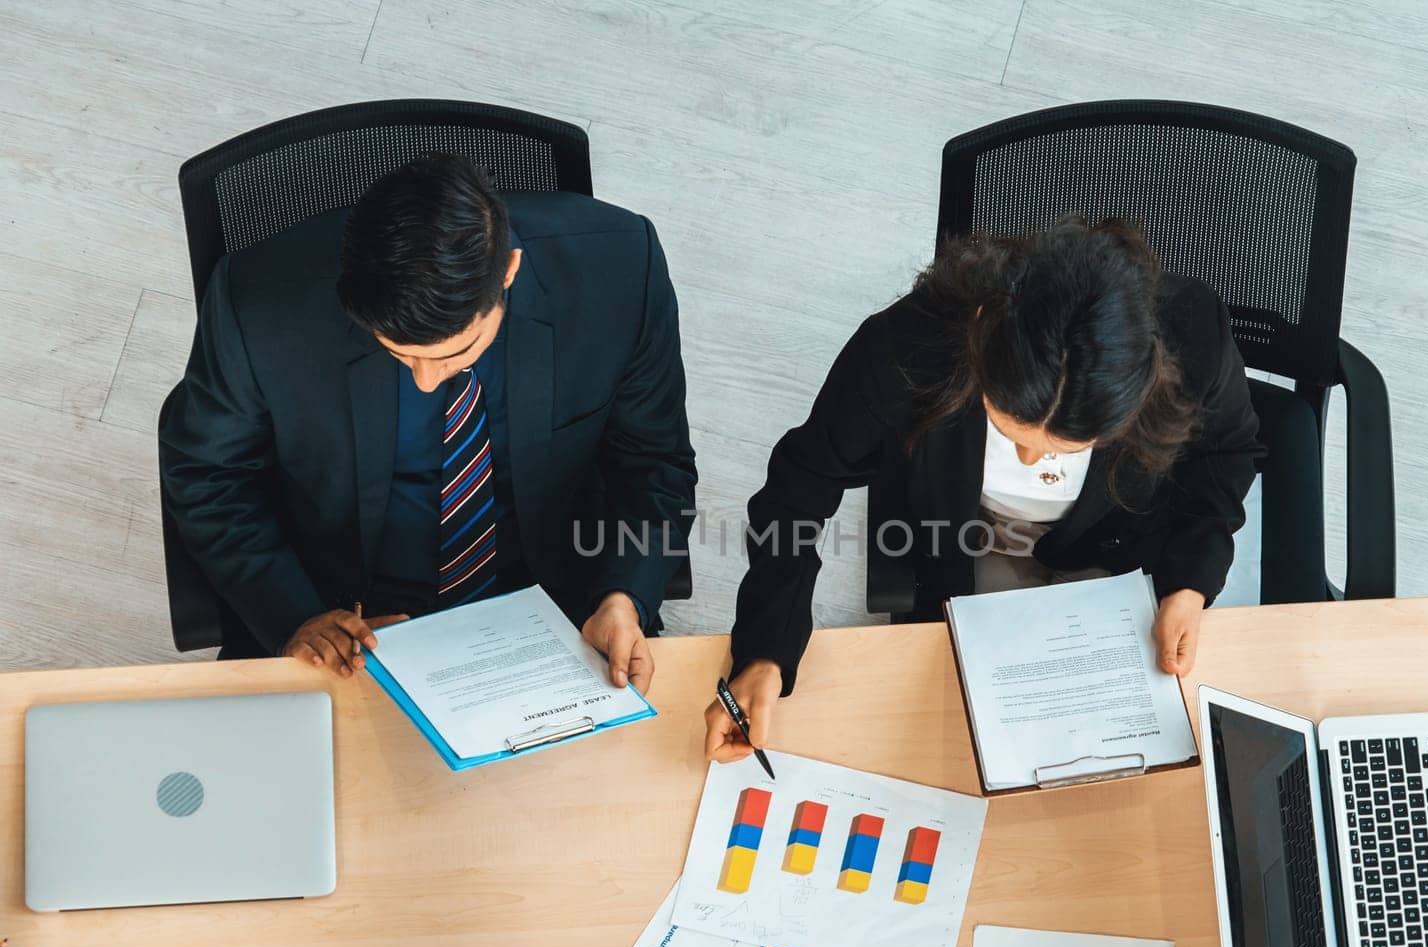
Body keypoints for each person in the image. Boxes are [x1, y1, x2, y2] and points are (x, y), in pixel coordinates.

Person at [706, 217, 1262, 761]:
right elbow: (799, 487)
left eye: (1063, 450)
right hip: (965, 543)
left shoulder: (1194, 336)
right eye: (1010, 427)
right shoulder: (903, 348)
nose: (1032, 461)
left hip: (1117, 549)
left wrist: (1188, 583)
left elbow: (1227, 456)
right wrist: (764, 651)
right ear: (981, 333)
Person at [161, 152, 696, 691]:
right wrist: (295, 616)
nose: (424, 380)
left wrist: (623, 596)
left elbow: (655, 463)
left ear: (508, 271)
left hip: (556, 608)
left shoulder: (622, 270)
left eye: (453, 354)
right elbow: (208, 477)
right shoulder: (256, 304)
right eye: (399, 355)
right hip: (343, 615)